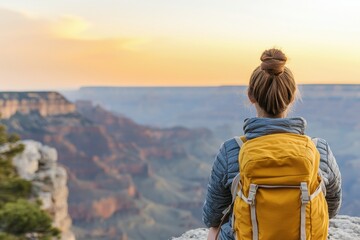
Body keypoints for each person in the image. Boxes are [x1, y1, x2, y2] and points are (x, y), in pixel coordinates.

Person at [202, 48, 342, 240]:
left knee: (214, 231)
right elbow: (331, 207)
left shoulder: (232, 150)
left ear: (251, 96)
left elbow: (212, 216)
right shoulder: (319, 150)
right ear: (292, 96)